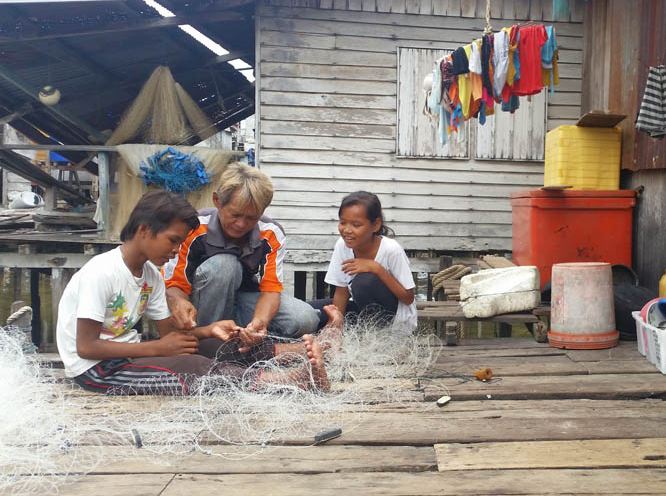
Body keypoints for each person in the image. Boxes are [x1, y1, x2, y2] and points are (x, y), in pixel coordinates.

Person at [56, 190, 340, 395]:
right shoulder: (101, 272)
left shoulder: (151, 276)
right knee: (197, 366)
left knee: (214, 347)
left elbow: (170, 336)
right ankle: (291, 381)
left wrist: (209, 330)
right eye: (172, 241)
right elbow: (86, 347)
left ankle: (302, 351)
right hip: (99, 370)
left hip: (130, 352)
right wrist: (155, 349)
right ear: (144, 230)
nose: (177, 250)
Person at [163, 162, 319, 352]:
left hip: (242, 302)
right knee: (225, 264)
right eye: (235, 215)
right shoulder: (193, 227)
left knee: (305, 318)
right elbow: (174, 285)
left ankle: (244, 337)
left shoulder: (271, 233)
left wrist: (259, 322)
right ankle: (208, 346)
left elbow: (271, 289)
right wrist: (180, 304)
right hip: (201, 306)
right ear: (217, 201)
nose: (241, 224)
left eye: (251, 218)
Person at [319, 191, 417, 333]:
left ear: (376, 225)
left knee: (364, 282)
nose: (347, 230)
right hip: (361, 309)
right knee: (313, 312)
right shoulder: (342, 245)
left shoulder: (391, 250)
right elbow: (342, 291)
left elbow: (408, 298)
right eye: (342, 222)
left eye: (356, 225)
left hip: (396, 322)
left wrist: (376, 268)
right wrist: (335, 325)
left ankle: (374, 340)